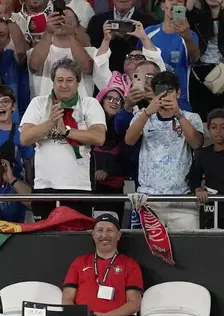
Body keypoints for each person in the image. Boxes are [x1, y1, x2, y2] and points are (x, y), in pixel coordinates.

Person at [20, 58, 106, 221]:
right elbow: (25, 138)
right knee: (44, 240)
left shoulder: (89, 104)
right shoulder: (39, 103)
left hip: (79, 187)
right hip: (45, 187)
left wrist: (66, 131)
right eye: (59, 80)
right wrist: (50, 122)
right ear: (53, 82)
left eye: (69, 80)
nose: (64, 85)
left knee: (76, 239)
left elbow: (99, 137)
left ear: (78, 82)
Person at [124, 71, 203, 229]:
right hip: (148, 200)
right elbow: (129, 140)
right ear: (153, 94)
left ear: (178, 93)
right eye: (160, 92)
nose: (165, 96)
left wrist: (178, 114)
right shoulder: (142, 116)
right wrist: (147, 112)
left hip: (182, 200)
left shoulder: (192, 117)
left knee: (187, 250)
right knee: (145, 252)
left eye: (170, 91)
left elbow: (196, 143)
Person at [144, 0, 200, 110]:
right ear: (162, 5)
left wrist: (187, 37)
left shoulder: (190, 35)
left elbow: (195, 58)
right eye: (171, 0)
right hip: (152, 99)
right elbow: (141, 64)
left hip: (180, 100)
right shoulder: (149, 32)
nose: (174, 3)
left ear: (184, 7)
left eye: (179, 1)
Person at [28, 9, 96, 98]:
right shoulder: (38, 50)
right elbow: (34, 66)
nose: (61, 22)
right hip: (47, 109)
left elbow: (87, 68)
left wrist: (71, 35)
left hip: (81, 109)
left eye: (66, 19)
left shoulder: (91, 52)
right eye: (58, 19)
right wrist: (48, 32)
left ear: (77, 27)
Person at [93, 21, 166, 93]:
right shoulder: (113, 81)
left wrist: (143, 37)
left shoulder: (157, 81)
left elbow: (156, 62)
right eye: (129, 57)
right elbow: (100, 66)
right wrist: (106, 40)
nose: (131, 60)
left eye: (138, 57)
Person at [86, 0, 158, 73]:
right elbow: (92, 55)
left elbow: (153, 58)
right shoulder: (96, 21)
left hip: (139, 77)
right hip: (105, 77)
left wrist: (141, 37)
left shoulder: (150, 23)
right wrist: (107, 39)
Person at [93, 81, 128, 224]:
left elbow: (126, 161)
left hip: (113, 190)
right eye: (110, 98)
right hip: (91, 188)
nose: (114, 102)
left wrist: (108, 172)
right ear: (101, 101)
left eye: (119, 100)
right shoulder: (90, 126)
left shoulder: (123, 129)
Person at [187, 0, 224, 119]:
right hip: (199, 71)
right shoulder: (197, 17)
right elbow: (186, 12)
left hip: (222, 69)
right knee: (200, 114)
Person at [190, 108, 224, 229]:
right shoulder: (202, 154)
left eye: (223, 127)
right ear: (209, 130)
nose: (218, 131)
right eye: (214, 127)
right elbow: (193, 178)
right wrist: (198, 190)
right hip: (211, 208)